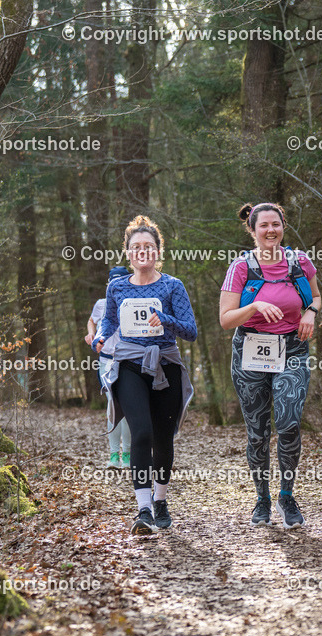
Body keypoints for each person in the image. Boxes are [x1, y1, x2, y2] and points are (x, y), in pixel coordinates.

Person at [219, 203, 321, 529]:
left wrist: (311, 313)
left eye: (275, 224)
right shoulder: (240, 268)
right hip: (250, 350)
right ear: (252, 230)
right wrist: (255, 306)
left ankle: (286, 495)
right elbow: (225, 319)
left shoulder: (300, 262)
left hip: (292, 349)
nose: (270, 231)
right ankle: (262, 498)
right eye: (263, 226)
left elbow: (316, 297)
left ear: (283, 226)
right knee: (258, 432)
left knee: (289, 421)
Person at [93, 216, 197, 535]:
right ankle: (144, 509)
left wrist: (164, 320)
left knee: (162, 439)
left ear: (157, 251)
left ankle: (161, 499)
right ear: (128, 253)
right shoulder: (117, 287)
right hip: (128, 365)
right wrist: (100, 335)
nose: (142, 251)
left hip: (164, 365)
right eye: (136, 246)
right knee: (140, 433)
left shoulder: (172, 286)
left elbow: (190, 331)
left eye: (148, 246)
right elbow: (110, 322)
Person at [86, 266, 132, 468]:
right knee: (113, 406)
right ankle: (114, 456)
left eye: (121, 282)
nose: (117, 287)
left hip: (129, 359)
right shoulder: (101, 304)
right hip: (106, 360)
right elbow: (91, 321)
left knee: (129, 407)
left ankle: (128, 455)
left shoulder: (133, 303)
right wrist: (92, 334)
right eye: (113, 283)